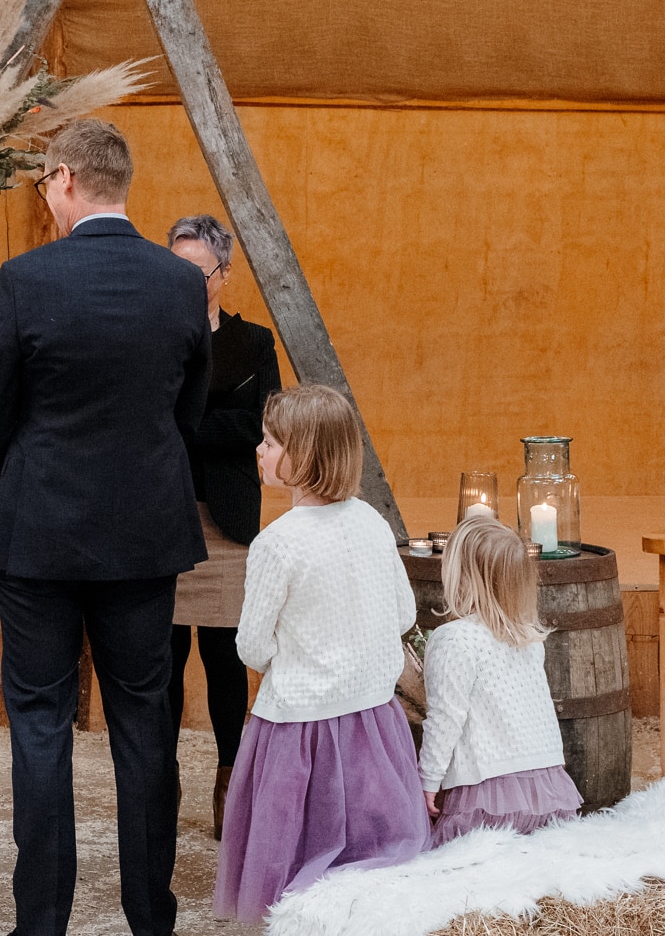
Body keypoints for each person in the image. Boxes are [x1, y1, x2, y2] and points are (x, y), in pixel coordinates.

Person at [0, 118, 211, 936]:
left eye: (43, 182)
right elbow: (190, 408)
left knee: (40, 727)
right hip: (143, 535)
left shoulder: (25, 278)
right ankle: (151, 921)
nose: (45, 194)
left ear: (66, 178)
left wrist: (28, 470)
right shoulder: (180, 283)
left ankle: (42, 926)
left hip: (39, 534)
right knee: (145, 724)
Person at [214, 384, 426, 923]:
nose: (258, 451)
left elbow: (252, 647)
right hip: (373, 721)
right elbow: (403, 613)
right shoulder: (373, 522)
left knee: (293, 856)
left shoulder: (277, 543)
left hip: (297, 729)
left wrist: (301, 652)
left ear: (303, 455)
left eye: (269, 442)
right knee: (366, 850)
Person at [164, 213, 280, 839]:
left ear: (224, 275)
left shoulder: (253, 342)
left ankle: (230, 779)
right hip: (163, 515)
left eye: (198, 270)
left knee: (225, 660)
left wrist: (185, 429)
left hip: (230, 523)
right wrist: (216, 426)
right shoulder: (149, 334)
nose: (185, 280)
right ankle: (163, 778)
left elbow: (262, 425)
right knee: (164, 658)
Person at [417, 518, 582, 845]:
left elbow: (445, 718)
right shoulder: (529, 637)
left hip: (487, 797)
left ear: (460, 577)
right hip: (549, 793)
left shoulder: (455, 640)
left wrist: (427, 779)